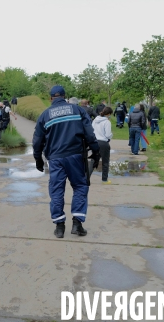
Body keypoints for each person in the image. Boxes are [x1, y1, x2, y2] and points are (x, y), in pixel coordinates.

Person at [33, 85, 99, 239]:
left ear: (51, 98)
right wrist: (96, 151)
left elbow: (37, 141)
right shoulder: (78, 110)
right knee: (80, 186)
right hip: (75, 156)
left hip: (55, 159)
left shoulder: (45, 115)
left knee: (56, 190)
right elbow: (90, 133)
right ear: (64, 96)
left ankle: (59, 226)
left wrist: (38, 159)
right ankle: (77, 224)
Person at [92, 106, 113, 184]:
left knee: (93, 161)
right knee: (105, 162)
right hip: (103, 142)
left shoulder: (95, 120)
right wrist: (111, 136)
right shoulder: (107, 122)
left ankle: (86, 178)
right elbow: (107, 134)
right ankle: (104, 179)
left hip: (95, 141)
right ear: (108, 114)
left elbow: (92, 130)